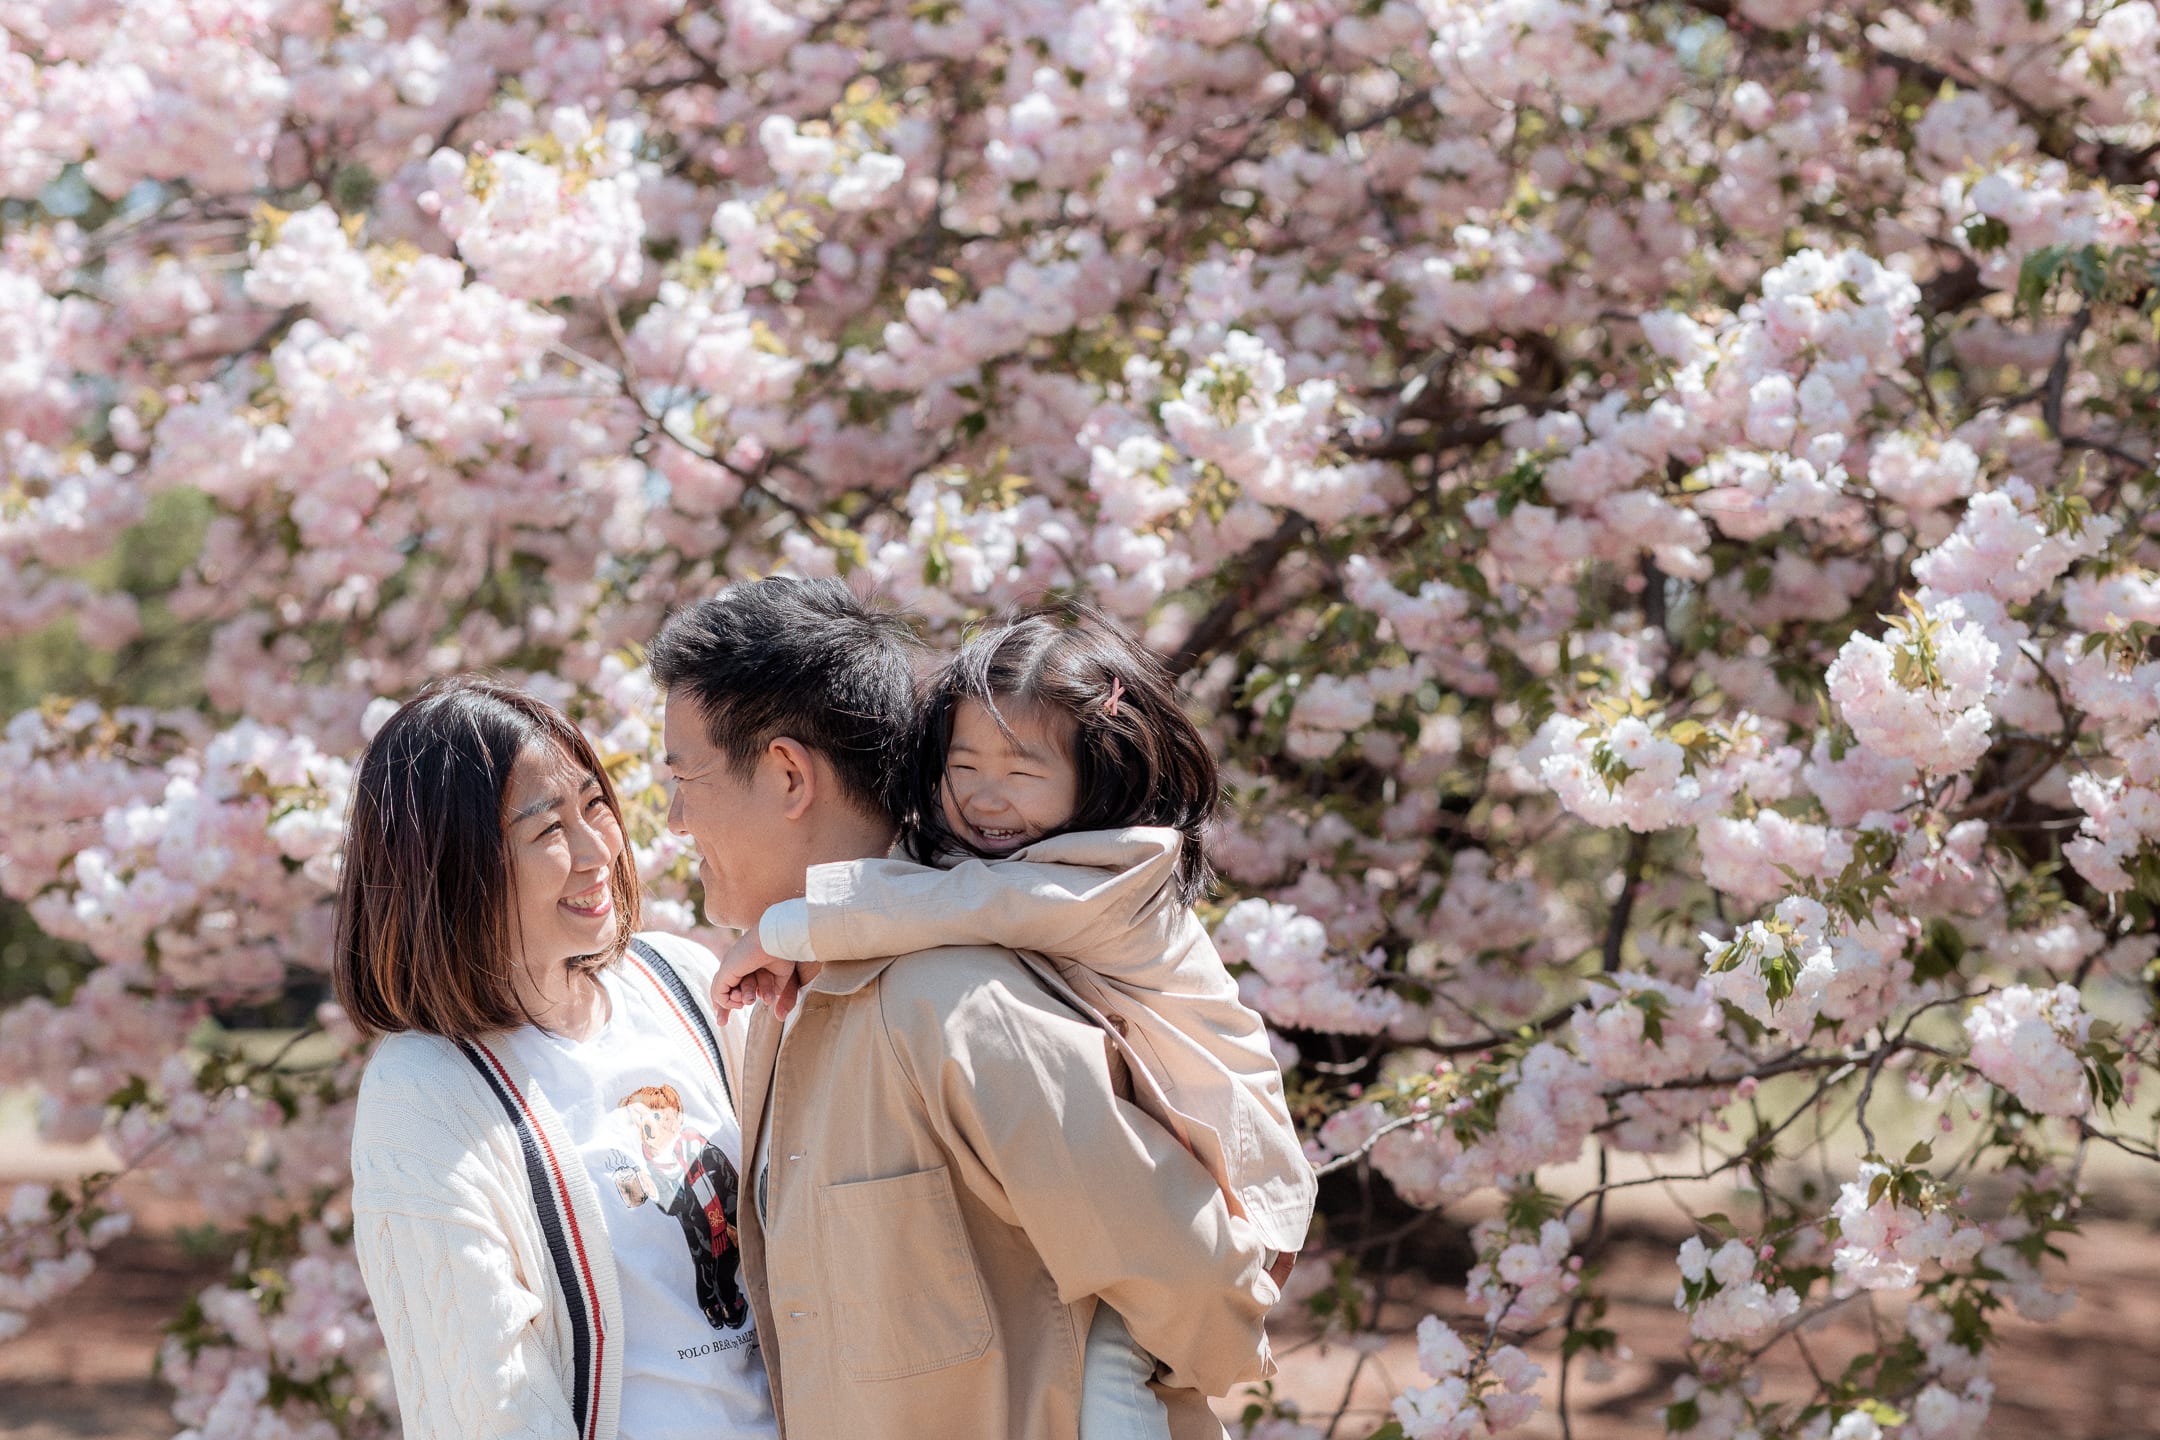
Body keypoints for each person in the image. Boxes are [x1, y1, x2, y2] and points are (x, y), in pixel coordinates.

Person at [647, 576, 1279, 1440]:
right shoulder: (784, 1005)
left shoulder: (954, 1001)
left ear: (789, 772)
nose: (674, 817)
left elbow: (1196, 1279)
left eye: (684, 776)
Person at [336, 678, 772, 1440]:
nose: (597, 850)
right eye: (547, 831)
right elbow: (489, 1403)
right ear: (453, 867)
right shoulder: (427, 1092)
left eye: (594, 806)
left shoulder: (683, 984)